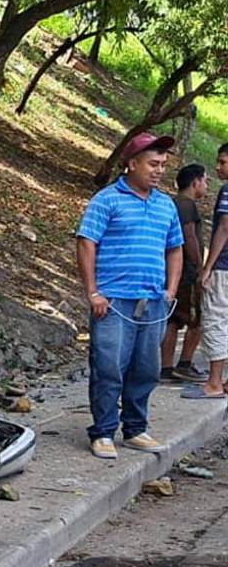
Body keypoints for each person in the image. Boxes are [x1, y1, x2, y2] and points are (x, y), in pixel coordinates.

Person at [77, 132, 184, 459]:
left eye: (163, 165)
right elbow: (86, 243)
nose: (159, 170)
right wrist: (93, 291)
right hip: (113, 302)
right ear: (132, 164)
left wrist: (171, 291)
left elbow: (175, 248)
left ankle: (136, 428)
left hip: (153, 301)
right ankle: (104, 432)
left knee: (146, 368)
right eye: (153, 163)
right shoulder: (107, 200)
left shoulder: (165, 204)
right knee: (109, 366)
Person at [184, 144, 228, 400]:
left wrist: (207, 267)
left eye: (222, 162)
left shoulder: (227, 191)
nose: (218, 167)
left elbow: (224, 227)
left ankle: (213, 383)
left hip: (224, 267)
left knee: (216, 321)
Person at [160, 163, 208, 380]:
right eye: (205, 180)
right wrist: (200, 267)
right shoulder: (186, 205)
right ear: (195, 182)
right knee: (197, 318)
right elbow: (189, 236)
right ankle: (184, 363)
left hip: (174, 270)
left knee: (173, 319)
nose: (206, 186)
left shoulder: (173, 203)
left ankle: (166, 367)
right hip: (187, 272)